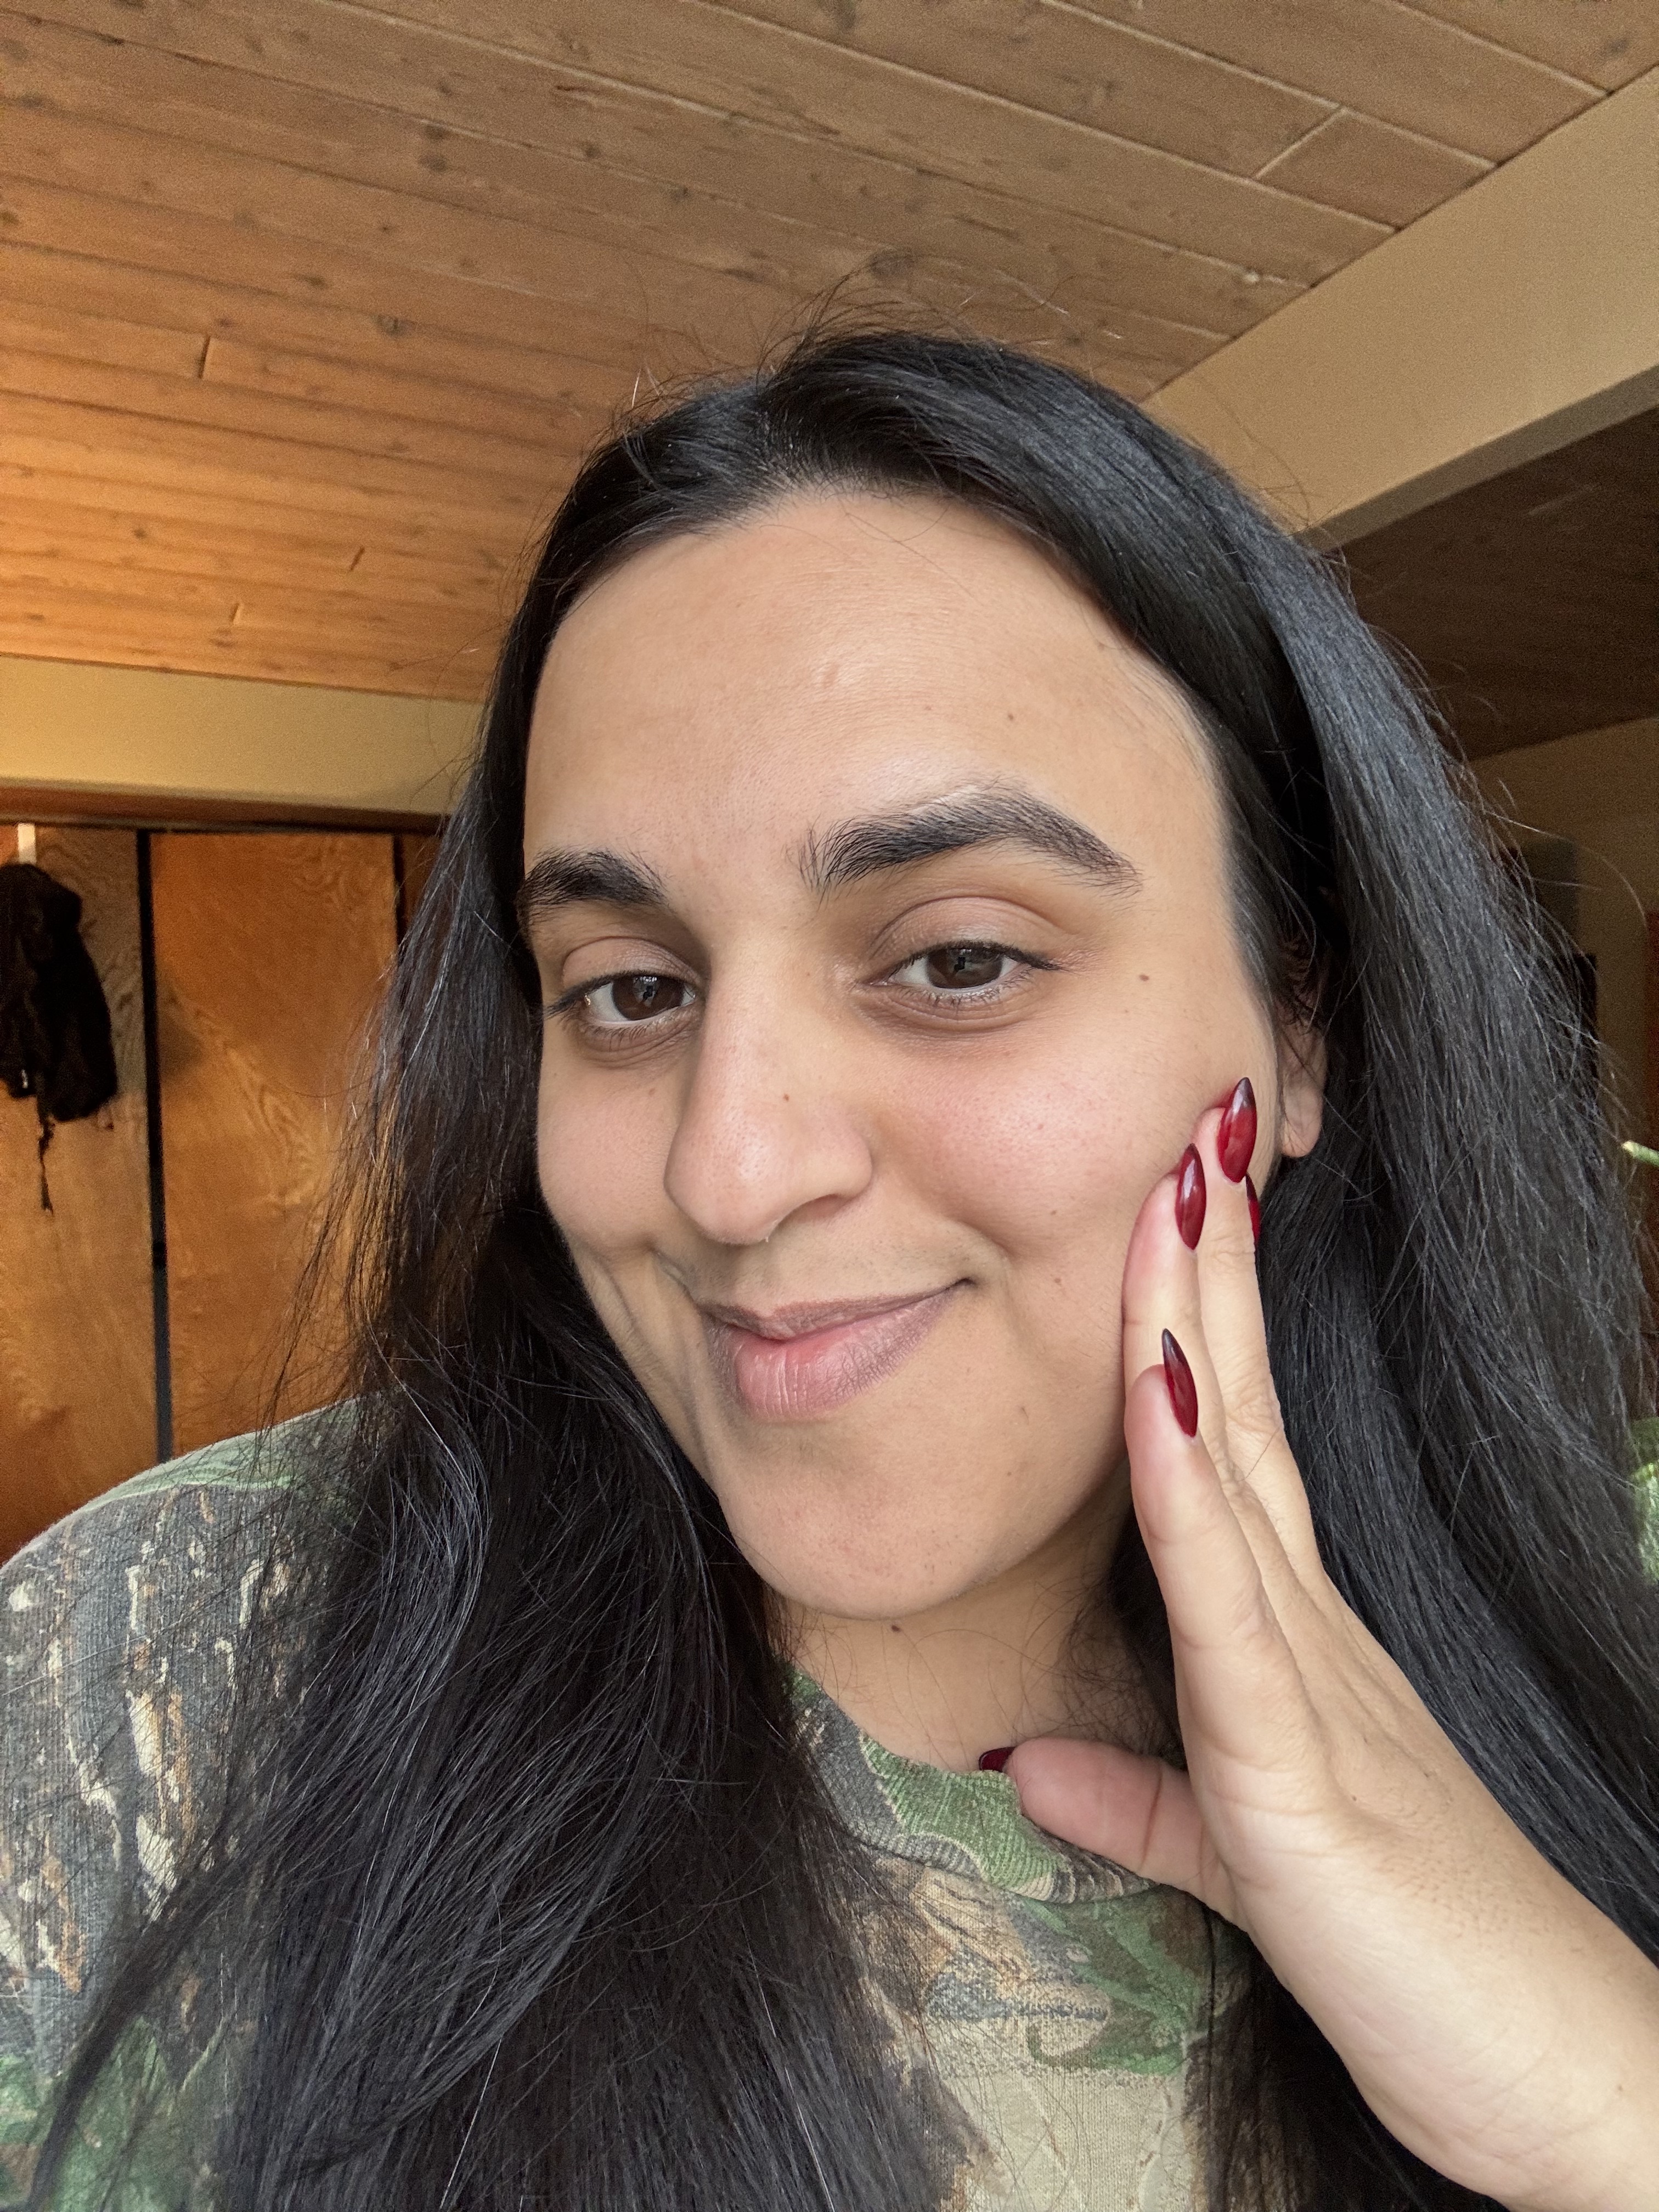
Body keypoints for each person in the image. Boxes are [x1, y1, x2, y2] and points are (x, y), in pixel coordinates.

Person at [4, 330, 1658, 2212]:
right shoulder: (139, 1681)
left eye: (957, 958)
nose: (727, 1166)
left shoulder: (1623, 1625)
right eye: (629, 990)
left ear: (1303, 1020)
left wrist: (1614, 2098)